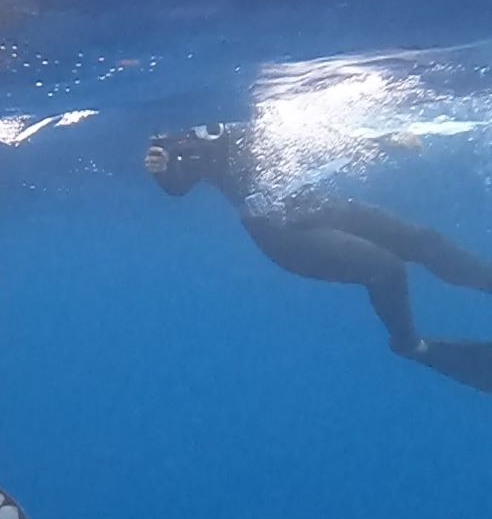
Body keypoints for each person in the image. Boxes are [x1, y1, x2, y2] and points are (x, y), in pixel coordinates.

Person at [145, 120, 492, 392]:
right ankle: (412, 345)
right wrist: (162, 171)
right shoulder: (198, 132)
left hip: (314, 202)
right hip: (279, 232)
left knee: (424, 240)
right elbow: (179, 182)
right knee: (385, 267)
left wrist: (382, 140)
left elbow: (322, 132)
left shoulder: (270, 94)